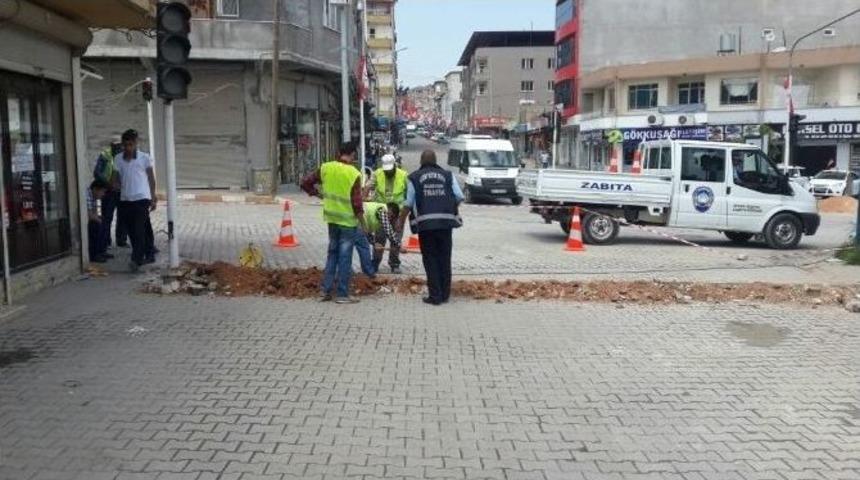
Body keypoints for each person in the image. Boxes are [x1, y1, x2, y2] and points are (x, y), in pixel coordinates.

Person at [301, 142, 367, 304]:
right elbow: (357, 203)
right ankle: (343, 294)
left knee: (332, 254)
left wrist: (317, 194)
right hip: (347, 222)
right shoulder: (353, 173)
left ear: (338, 152)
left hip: (331, 220)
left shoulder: (326, 168)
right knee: (345, 257)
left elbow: (305, 182)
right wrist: (364, 224)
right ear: (352, 155)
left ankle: (325, 290)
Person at [397, 150, 464, 306]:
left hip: (426, 226)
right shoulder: (448, 175)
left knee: (430, 259)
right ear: (435, 161)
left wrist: (400, 221)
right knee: (444, 258)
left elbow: (408, 203)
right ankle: (445, 294)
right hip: (446, 224)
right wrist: (449, 207)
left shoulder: (413, 177)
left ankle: (435, 296)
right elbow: (460, 196)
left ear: (421, 161)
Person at [116, 129, 157, 272]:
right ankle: (149, 253)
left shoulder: (144, 158)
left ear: (136, 143)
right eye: (125, 145)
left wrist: (153, 197)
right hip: (125, 200)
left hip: (141, 199)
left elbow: (151, 178)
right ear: (122, 144)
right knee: (133, 231)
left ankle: (136, 259)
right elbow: (116, 178)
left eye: (131, 144)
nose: (128, 148)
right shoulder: (118, 159)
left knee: (139, 229)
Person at [365, 153, 408, 273]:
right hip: (381, 213)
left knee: (396, 237)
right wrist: (363, 203)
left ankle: (394, 263)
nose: (388, 172)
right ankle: (375, 263)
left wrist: (404, 216)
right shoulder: (377, 173)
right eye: (386, 170)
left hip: (397, 215)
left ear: (395, 165)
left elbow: (410, 196)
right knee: (379, 239)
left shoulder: (403, 175)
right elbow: (368, 187)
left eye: (390, 170)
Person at [93, 136, 128, 248]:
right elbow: (97, 173)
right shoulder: (105, 155)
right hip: (108, 191)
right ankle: (106, 241)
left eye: (121, 146)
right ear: (112, 146)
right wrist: (108, 184)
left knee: (123, 217)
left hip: (121, 191)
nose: (120, 148)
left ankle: (121, 240)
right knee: (107, 217)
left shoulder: (125, 155)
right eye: (117, 146)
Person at [354, 201, 401, 276]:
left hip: (356, 222)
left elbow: (367, 232)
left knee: (349, 247)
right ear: (390, 210)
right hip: (356, 221)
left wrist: (374, 243)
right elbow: (388, 230)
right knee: (364, 248)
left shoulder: (378, 217)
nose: (390, 218)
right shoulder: (382, 210)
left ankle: (349, 270)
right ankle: (369, 273)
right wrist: (398, 245)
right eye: (391, 216)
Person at [86, 179, 112, 263]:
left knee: (104, 223)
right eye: (102, 191)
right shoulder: (87, 195)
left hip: (90, 219)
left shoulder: (94, 196)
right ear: (95, 189)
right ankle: (94, 255)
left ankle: (102, 251)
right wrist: (99, 220)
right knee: (96, 226)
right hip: (85, 221)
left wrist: (100, 219)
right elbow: (89, 215)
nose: (103, 194)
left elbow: (95, 212)